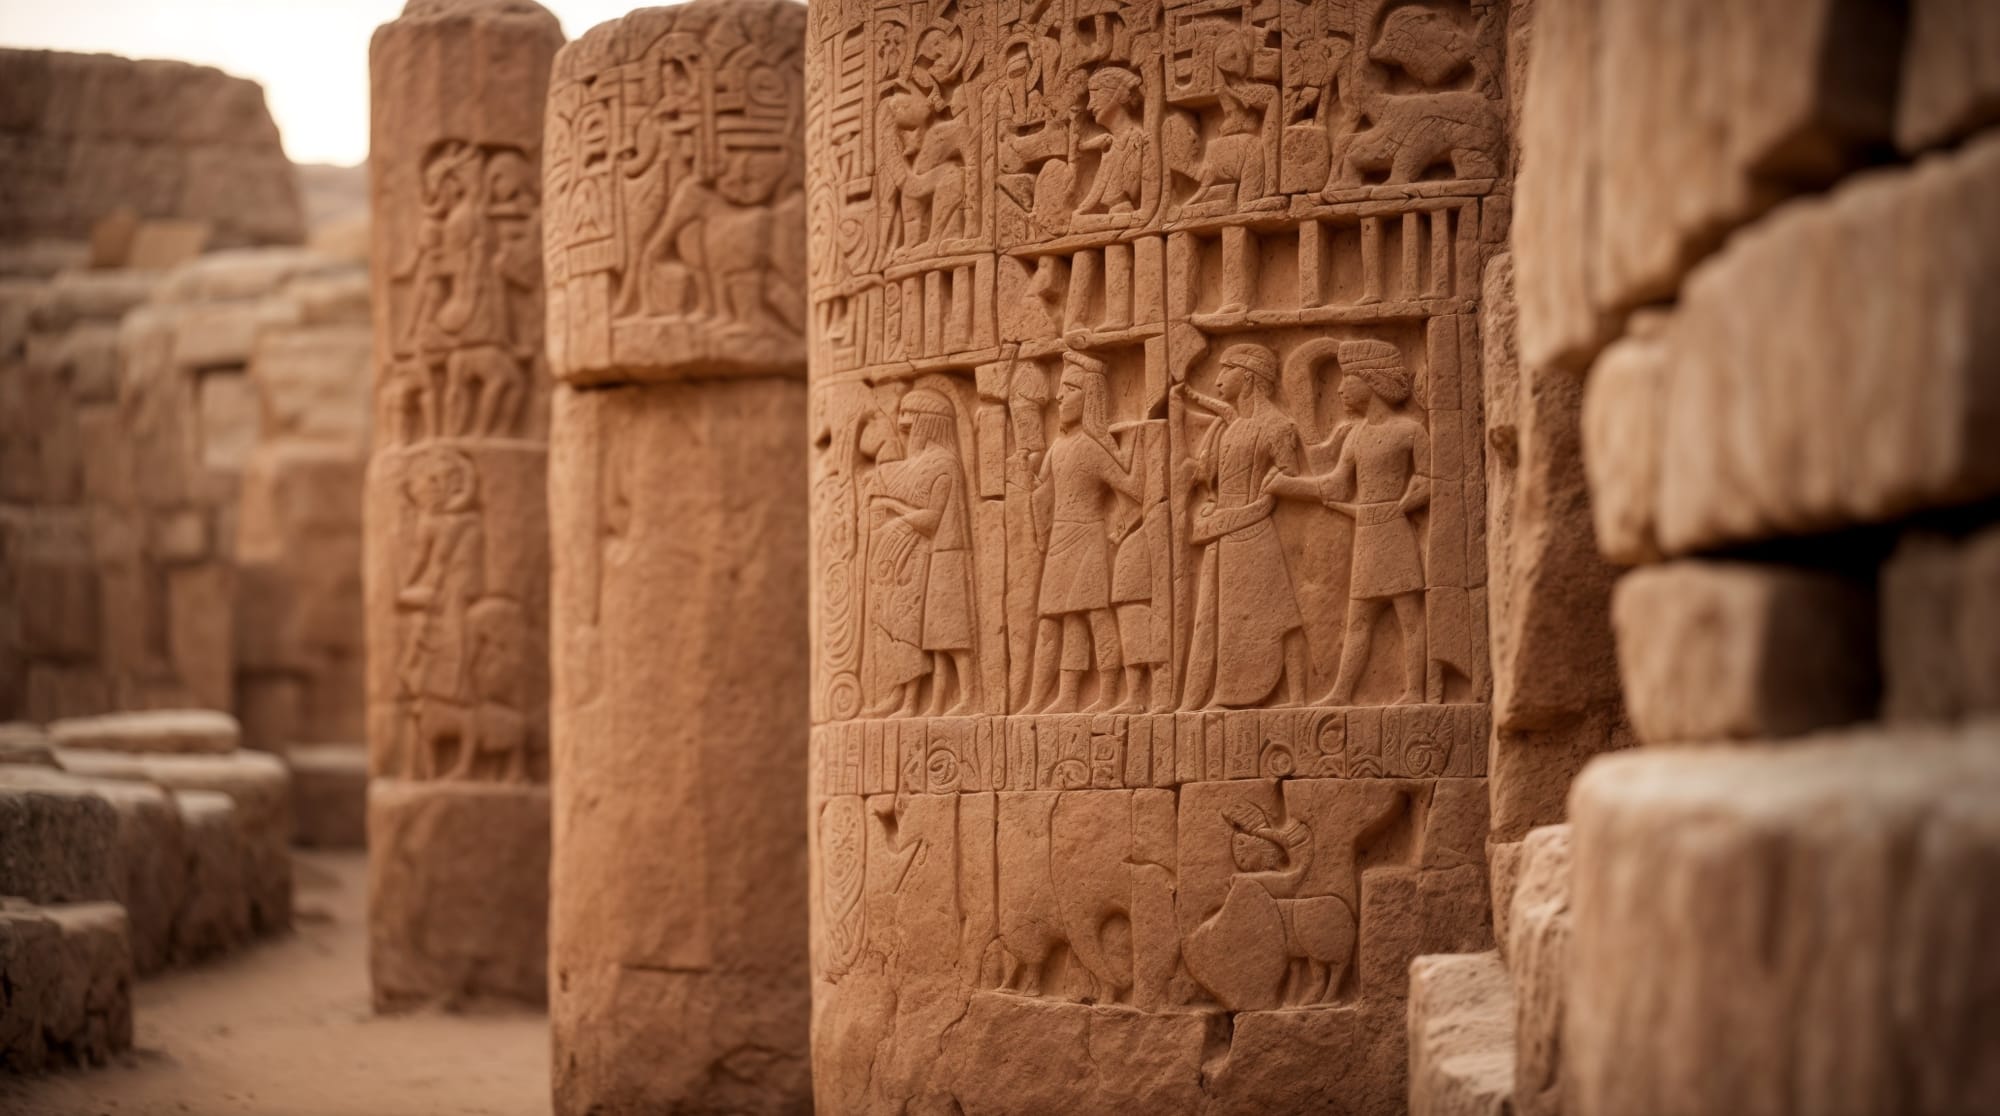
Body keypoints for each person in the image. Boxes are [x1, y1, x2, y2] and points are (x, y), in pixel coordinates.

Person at [1266, 339, 1429, 704]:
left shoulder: (1409, 432)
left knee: (1410, 616)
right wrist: (1288, 486)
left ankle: (1416, 692)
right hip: (1369, 533)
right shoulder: (1355, 436)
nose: (1340, 389)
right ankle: (1341, 692)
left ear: (1370, 382)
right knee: (1358, 618)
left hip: (1394, 530)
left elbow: (1428, 480)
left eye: (1348, 380)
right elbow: (1337, 485)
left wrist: (1403, 504)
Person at [1177, 343, 1311, 708]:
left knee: (1279, 614)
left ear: (1248, 377)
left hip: (1253, 532)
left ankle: (1299, 698)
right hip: (1223, 533)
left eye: (1226, 371)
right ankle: (1219, 693)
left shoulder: (1278, 426)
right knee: (1220, 621)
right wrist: (1206, 503)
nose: (1219, 380)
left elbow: (1287, 476)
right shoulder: (1229, 427)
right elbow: (1209, 480)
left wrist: (1256, 503)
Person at [1029, 352, 1142, 712]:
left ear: (1089, 397)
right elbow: (1042, 489)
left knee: (1094, 616)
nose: (1060, 398)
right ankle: (1063, 695)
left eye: (1070, 390)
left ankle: (1108, 692)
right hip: (1061, 538)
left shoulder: (1091, 449)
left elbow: (1130, 487)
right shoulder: (1057, 448)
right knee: (1058, 621)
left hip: (1089, 536)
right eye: (1061, 391)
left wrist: (1141, 445)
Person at [863, 388, 975, 715]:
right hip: (922, 559)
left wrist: (893, 510)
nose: (902, 426)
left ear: (929, 423)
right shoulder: (922, 464)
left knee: (951, 633)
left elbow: (931, 519)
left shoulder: (944, 464)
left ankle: (966, 697)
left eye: (910, 420)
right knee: (927, 636)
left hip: (946, 556)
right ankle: (925, 701)